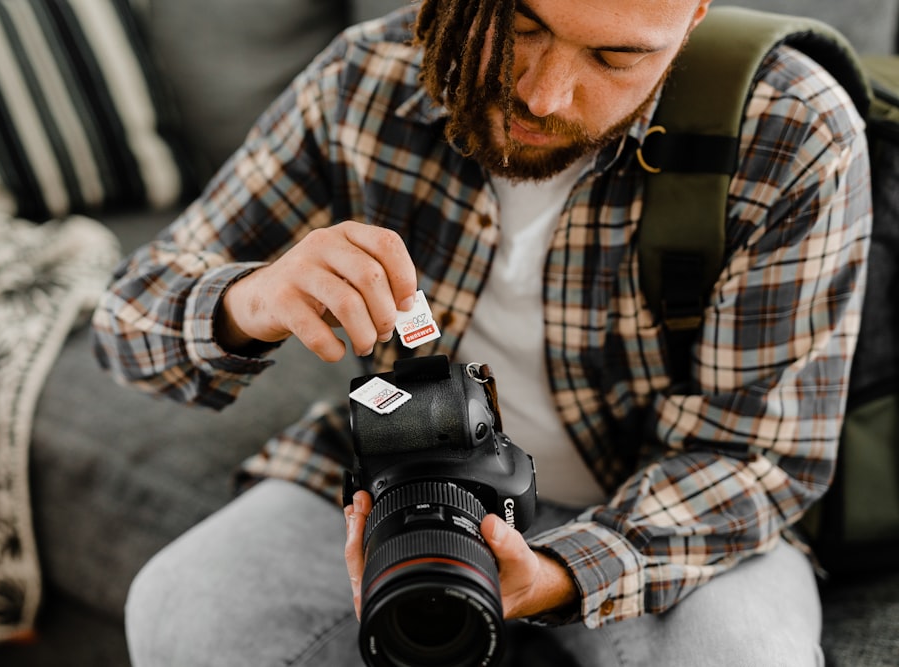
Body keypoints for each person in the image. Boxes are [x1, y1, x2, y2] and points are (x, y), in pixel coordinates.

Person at [92, 0, 872, 664]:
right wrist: (250, 300)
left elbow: (758, 457)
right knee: (183, 610)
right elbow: (126, 325)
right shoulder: (366, 77)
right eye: (521, 26)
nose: (544, 95)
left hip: (671, 498)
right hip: (410, 478)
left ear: (693, 16)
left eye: (617, 57)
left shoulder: (792, 128)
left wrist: (562, 571)